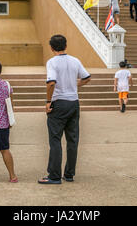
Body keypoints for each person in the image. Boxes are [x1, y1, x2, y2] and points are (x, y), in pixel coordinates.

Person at [38, 35, 91, 184]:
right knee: (72, 140)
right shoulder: (75, 60)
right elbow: (87, 77)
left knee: (55, 140)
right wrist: (74, 86)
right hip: (73, 102)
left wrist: (48, 101)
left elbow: (51, 83)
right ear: (65, 46)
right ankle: (69, 174)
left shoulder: (52, 62)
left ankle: (54, 175)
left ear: (51, 48)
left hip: (59, 103)